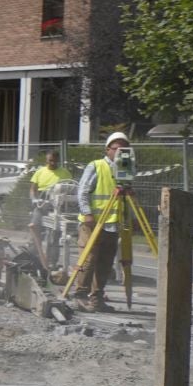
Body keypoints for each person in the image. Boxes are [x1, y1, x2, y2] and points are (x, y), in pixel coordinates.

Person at [74, 132, 130, 311]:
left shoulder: (126, 169)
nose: (121, 153)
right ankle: (80, 295)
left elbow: (126, 199)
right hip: (94, 223)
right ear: (108, 150)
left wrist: (131, 217)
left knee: (105, 262)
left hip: (113, 224)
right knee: (89, 259)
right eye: (117, 149)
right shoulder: (96, 166)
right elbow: (82, 191)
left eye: (124, 149)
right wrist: (87, 213)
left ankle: (97, 298)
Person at [29, 150, 74, 260]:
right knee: (35, 226)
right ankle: (33, 254)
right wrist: (35, 200)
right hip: (42, 204)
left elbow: (71, 188)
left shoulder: (65, 173)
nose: (52, 163)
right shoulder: (40, 172)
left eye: (54, 161)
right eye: (50, 161)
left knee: (55, 233)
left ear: (58, 160)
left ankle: (52, 260)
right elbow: (32, 190)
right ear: (46, 160)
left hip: (59, 206)